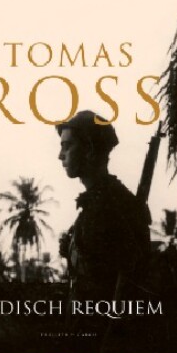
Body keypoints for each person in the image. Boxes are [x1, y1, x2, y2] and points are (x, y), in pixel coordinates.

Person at [56, 110, 152, 302]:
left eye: (67, 146)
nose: (60, 156)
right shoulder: (101, 200)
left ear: (89, 150)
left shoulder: (109, 206)